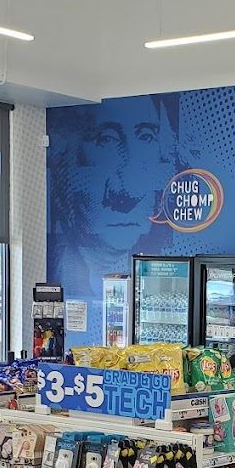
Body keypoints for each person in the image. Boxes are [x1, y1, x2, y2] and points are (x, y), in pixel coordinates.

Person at [46, 94, 189, 341]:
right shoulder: (61, 280)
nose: (131, 193)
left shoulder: (149, 282)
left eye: (146, 137)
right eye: (106, 139)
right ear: (60, 164)